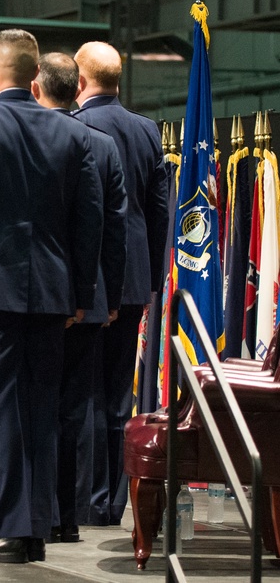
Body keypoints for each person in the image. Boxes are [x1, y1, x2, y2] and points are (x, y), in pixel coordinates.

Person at [0, 29, 103, 563]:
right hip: (56, 294)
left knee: (3, 414)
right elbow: (90, 222)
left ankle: (9, 531)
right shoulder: (73, 134)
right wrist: (81, 294)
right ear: (36, 75)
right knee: (40, 412)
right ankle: (34, 527)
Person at [31, 52, 128, 542]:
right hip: (88, 298)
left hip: (40, 297)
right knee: (77, 409)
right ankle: (67, 518)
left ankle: (39, 514)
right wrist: (102, 296)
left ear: (37, 87)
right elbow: (113, 231)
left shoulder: (27, 135)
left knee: (37, 409)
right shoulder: (103, 145)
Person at [73, 41, 169, 527]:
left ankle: (86, 502)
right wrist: (150, 281)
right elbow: (159, 212)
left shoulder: (75, 127)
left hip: (89, 278)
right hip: (133, 279)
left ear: (79, 79)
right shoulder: (147, 130)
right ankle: (113, 501)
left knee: (84, 391)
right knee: (117, 394)